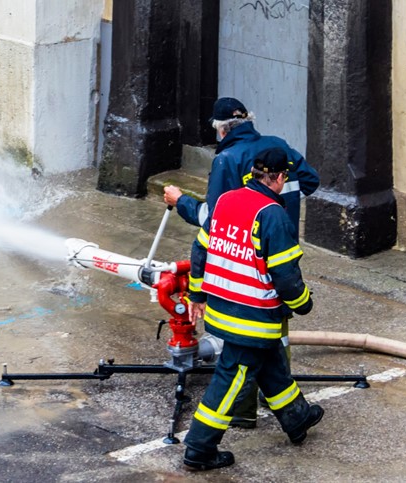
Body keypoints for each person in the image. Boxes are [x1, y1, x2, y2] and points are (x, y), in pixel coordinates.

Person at [164, 97, 320, 429]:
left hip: (243, 267)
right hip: (282, 255)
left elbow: (210, 219)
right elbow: (311, 181)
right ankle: (288, 409)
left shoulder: (228, 160)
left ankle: (241, 412)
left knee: (242, 343)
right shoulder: (278, 148)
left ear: (221, 131)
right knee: (278, 333)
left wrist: (181, 202)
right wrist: (283, 208)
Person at [181, 147, 323, 471]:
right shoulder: (272, 214)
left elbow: (200, 248)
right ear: (280, 177)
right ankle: (198, 448)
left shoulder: (227, 200)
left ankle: (297, 418)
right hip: (252, 316)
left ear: (254, 172)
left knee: (271, 364)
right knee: (231, 379)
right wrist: (304, 304)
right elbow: (286, 277)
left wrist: (197, 295)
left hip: (223, 309)